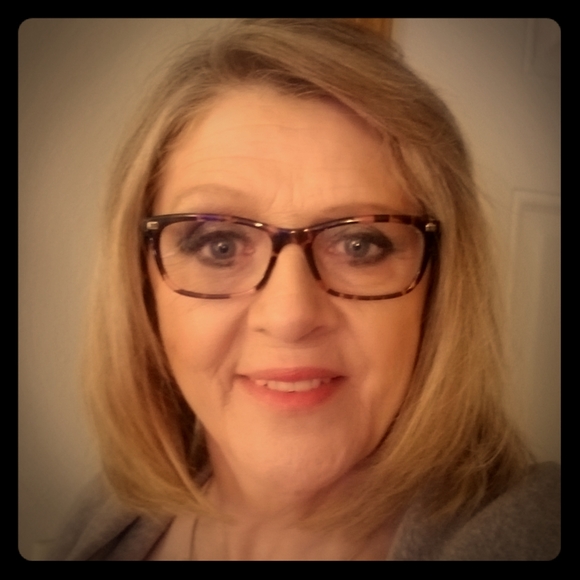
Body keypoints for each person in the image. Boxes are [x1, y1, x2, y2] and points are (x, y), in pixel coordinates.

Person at [49, 19, 560, 560]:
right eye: (219, 245)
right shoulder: (108, 513)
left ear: (440, 289)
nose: (289, 316)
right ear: (142, 288)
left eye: (360, 245)